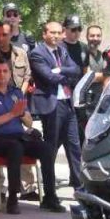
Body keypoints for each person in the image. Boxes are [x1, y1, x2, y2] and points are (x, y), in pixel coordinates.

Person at [0, 59, 57, 214]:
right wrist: (11, 114)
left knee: (46, 148)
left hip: (18, 136)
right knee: (15, 148)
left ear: (10, 74)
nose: (2, 75)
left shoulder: (16, 93)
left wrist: (21, 114)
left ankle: (50, 197)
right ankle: (13, 198)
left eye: (5, 71)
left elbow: (28, 122)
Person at [29, 21, 82, 197]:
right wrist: (65, 77)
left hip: (67, 103)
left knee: (74, 147)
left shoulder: (62, 51)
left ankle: (81, 190)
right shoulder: (38, 53)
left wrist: (61, 69)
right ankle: (50, 195)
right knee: (50, 149)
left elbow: (76, 69)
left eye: (59, 33)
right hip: (51, 105)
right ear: (44, 34)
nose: (57, 36)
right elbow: (49, 77)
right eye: (53, 33)